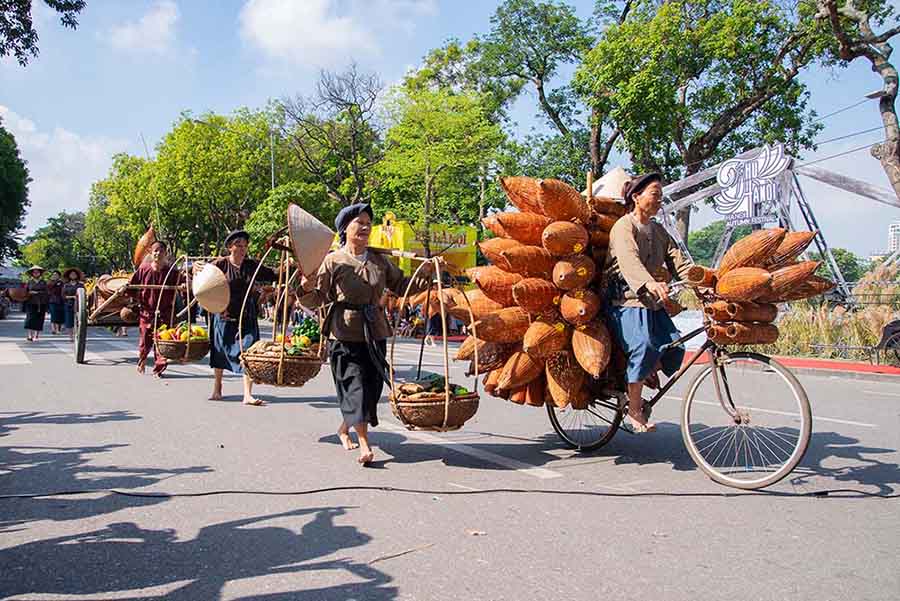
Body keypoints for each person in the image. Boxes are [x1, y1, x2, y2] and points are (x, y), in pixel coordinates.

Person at [300, 203, 433, 465]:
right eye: (358, 222)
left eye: (367, 223)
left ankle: (344, 428)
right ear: (344, 229)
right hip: (344, 333)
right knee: (355, 387)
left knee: (371, 390)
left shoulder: (379, 260)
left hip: (375, 330)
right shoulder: (333, 261)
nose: (364, 227)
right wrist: (305, 287)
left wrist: (425, 272)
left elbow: (402, 285)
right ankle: (364, 444)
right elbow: (317, 299)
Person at [605, 173, 692, 432]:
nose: (659, 200)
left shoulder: (659, 231)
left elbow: (679, 262)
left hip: (651, 302)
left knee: (675, 345)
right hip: (624, 302)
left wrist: (703, 280)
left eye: (660, 196)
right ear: (636, 197)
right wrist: (649, 282)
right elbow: (629, 260)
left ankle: (644, 372)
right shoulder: (624, 226)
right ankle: (633, 409)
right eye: (654, 194)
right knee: (643, 345)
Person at [209, 230, 278, 406]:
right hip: (224, 314)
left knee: (249, 353)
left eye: (245, 246)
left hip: (246, 316)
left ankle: (247, 394)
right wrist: (195, 268)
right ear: (230, 247)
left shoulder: (251, 265)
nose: (242, 249)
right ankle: (217, 387)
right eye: (238, 245)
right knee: (220, 352)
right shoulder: (220, 265)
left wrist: (289, 264)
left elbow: (274, 274)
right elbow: (202, 273)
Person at [127, 240, 182, 378]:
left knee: (162, 342)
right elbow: (132, 286)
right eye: (155, 251)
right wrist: (129, 292)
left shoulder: (172, 272)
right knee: (145, 340)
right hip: (147, 312)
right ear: (151, 253)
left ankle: (159, 369)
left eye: (161, 251)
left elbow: (182, 284)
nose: (158, 253)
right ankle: (142, 360)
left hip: (165, 312)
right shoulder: (143, 269)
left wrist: (184, 287)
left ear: (165, 253)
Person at [23, 266, 48, 342]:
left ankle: (36, 335)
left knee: (40, 318)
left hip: (41, 302)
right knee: (30, 318)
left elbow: (46, 292)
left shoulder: (43, 282)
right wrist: (29, 293)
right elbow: (25, 292)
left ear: (40, 273)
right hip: (31, 302)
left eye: (37, 272)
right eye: (34, 272)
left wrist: (37, 292)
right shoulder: (29, 282)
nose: (36, 273)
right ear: (32, 273)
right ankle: (30, 335)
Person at [61, 268, 84, 342]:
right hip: (69, 304)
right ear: (69, 276)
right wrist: (72, 297)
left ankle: (77, 334)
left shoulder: (80, 285)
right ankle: (71, 336)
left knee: (78, 321)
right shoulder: (66, 285)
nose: (73, 275)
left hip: (79, 305)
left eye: (74, 274)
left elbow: (84, 294)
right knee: (69, 321)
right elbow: (63, 296)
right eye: (71, 274)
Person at [47, 270, 65, 335]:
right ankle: (53, 329)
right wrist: (55, 282)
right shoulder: (49, 282)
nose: (55, 276)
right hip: (52, 300)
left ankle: (58, 329)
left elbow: (63, 290)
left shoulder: (61, 282)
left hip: (60, 300)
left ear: (59, 276)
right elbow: (48, 289)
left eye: (56, 275)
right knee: (53, 315)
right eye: (54, 275)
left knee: (59, 315)